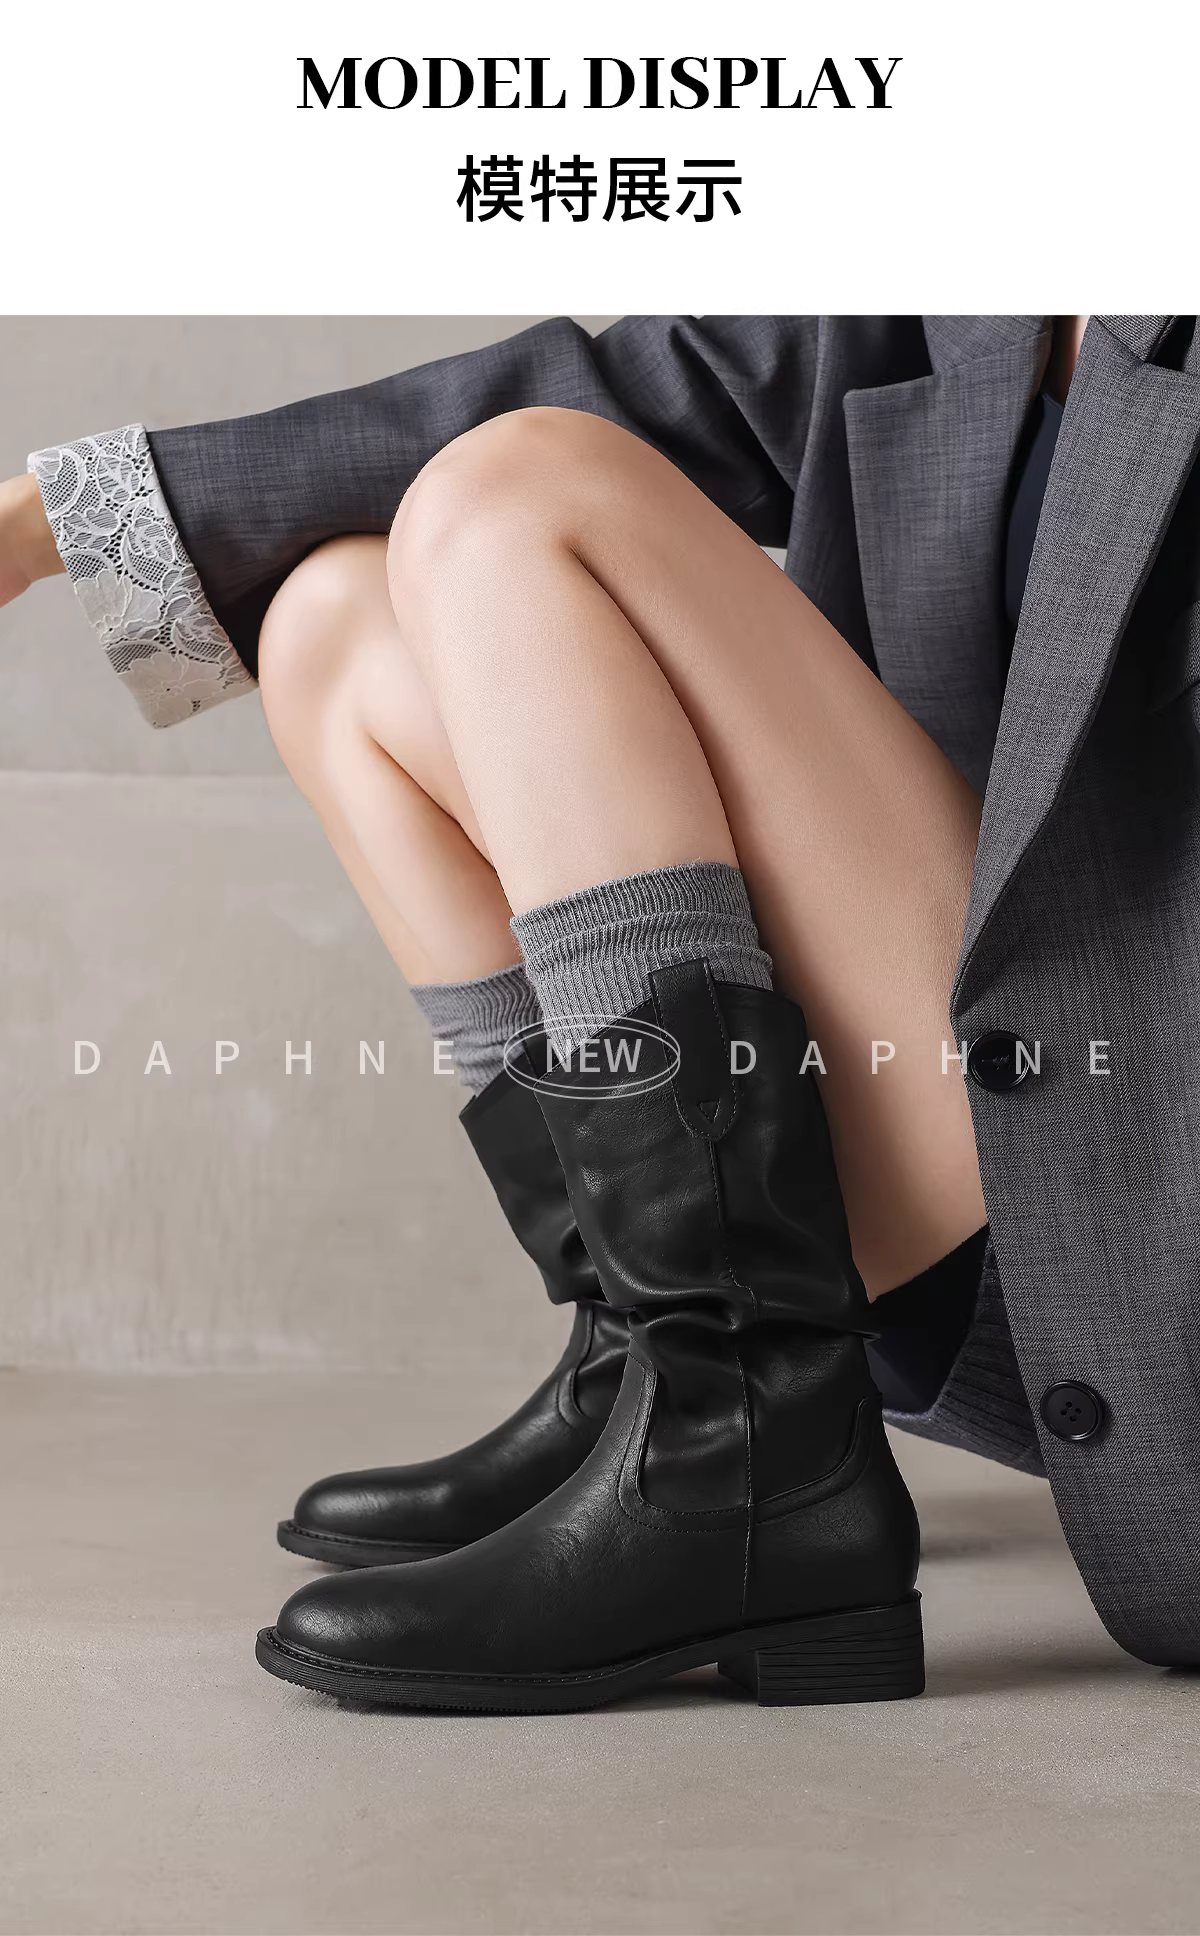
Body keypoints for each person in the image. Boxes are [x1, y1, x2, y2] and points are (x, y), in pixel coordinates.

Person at [3, 314, 1198, 1709]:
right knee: (337, 626)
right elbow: (631, 383)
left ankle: (740, 1450)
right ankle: (659, 1360)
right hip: (990, 1169)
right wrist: (49, 526)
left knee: (523, 495)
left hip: (1149, 1200)